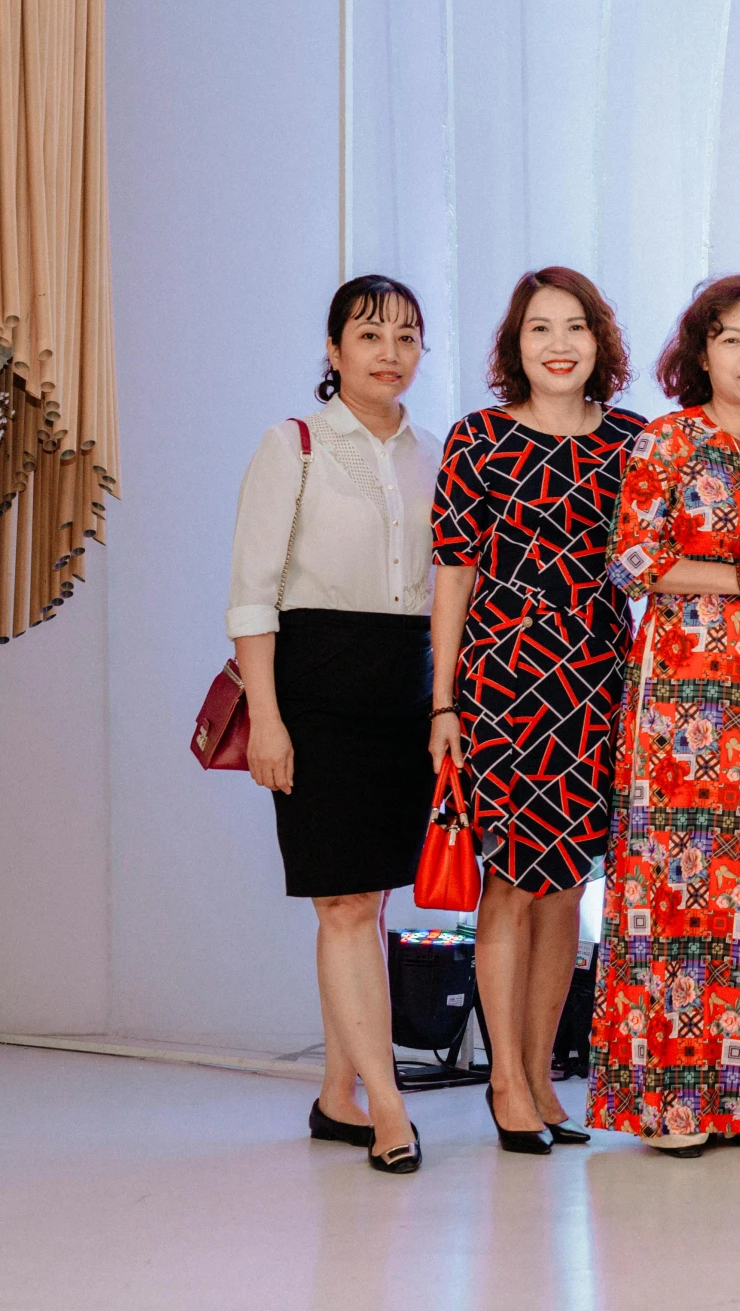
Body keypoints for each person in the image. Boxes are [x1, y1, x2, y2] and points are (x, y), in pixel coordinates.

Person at [587, 276, 740, 1157]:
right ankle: (671, 1105)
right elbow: (633, 557)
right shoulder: (669, 439)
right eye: (732, 338)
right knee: (675, 882)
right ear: (700, 352)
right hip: (680, 682)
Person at [227, 275, 439, 1176]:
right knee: (343, 901)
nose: (388, 352)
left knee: (370, 898)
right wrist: (267, 720)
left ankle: (335, 1094)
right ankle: (387, 1108)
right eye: (369, 335)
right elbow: (251, 596)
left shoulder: (436, 452)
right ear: (333, 349)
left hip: (406, 683)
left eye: (406, 336)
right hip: (314, 685)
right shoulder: (295, 445)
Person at [429, 266, 643, 1154]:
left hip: (597, 676)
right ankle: (505, 1080)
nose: (559, 344)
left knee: (569, 886)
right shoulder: (477, 439)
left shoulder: (633, 440)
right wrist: (440, 700)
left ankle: (544, 1075)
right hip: (502, 679)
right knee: (512, 881)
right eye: (539, 329)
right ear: (515, 346)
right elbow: (452, 573)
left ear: (601, 342)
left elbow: (652, 562)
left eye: (575, 328)